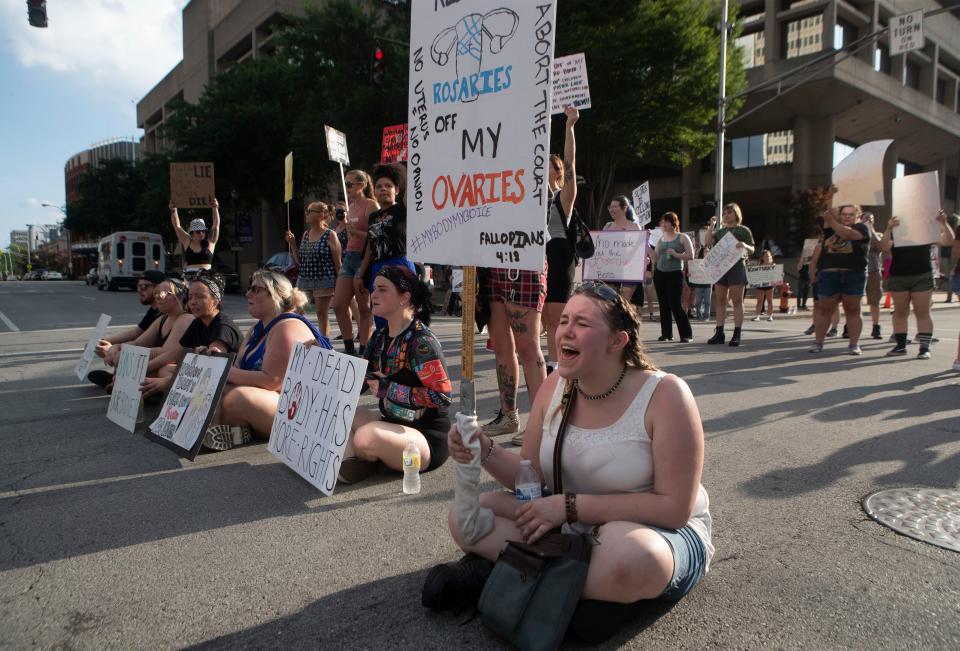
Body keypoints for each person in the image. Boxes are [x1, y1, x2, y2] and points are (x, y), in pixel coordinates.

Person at [422, 281, 712, 643]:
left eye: (583, 324)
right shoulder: (556, 383)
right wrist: (482, 449)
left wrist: (569, 507)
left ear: (617, 341)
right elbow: (531, 478)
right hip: (567, 526)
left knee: (632, 556)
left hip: (651, 531)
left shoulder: (666, 394)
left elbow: (674, 510)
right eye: (564, 321)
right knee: (467, 516)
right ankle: (575, 595)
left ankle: (506, 579)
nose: (565, 331)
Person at [481, 109, 580, 443]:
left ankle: (542, 421)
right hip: (495, 262)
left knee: (528, 347)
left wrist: (569, 127)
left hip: (526, 266)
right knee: (501, 346)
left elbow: (570, 167)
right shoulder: (500, 181)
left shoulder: (552, 196)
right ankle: (509, 415)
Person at [336, 265, 452, 484]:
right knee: (343, 412)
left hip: (425, 437)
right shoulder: (379, 336)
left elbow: (443, 397)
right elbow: (359, 377)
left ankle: (364, 456)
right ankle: (367, 458)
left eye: (382, 289)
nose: (373, 294)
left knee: (364, 437)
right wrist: (320, 353)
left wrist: (389, 389)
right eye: (373, 289)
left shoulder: (421, 342)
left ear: (404, 297)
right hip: (392, 422)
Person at [202, 269, 332, 451]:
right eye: (249, 288)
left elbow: (272, 381)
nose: (248, 293)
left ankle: (219, 428)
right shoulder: (257, 329)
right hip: (270, 402)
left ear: (276, 295)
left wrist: (224, 370)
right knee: (208, 385)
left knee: (237, 398)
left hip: (300, 411)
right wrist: (214, 359)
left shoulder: (287, 326)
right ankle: (229, 430)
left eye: (255, 289)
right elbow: (239, 368)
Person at [141, 272, 243, 398]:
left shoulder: (223, 326)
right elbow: (174, 354)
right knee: (164, 369)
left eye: (199, 297)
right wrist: (141, 370)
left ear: (215, 300)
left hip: (224, 381)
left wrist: (167, 381)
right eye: (190, 297)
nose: (193, 302)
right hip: (203, 373)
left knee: (166, 377)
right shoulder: (197, 323)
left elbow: (212, 367)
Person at [878, 209, 955, 358]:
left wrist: (943, 223)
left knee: (922, 312)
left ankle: (924, 348)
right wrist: (888, 228)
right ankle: (900, 346)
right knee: (900, 312)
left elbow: (948, 241)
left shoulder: (925, 231)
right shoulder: (895, 231)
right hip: (899, 277)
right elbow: (883, 247)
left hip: (922, 275)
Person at [541, 106, 580, 377]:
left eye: (549, 166)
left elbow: (571, 162)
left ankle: (557, 368)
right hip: (533, 256)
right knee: (542, 319)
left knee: (555, 318)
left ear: (557, 172)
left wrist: (570, 126)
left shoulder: (562, 198)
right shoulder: (525, 197)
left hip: (557, 254)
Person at [355, 164, 416, 332]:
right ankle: (385, 352)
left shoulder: (403, 209)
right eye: (379, 186)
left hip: (400, 264)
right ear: (374, 191)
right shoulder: (373, 217)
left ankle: (406, 350)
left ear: (397, 190)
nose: (384, 189)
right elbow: (370, 246)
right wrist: (361, 273)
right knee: (382, 314)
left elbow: (413, 189)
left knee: (404, 312)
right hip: (378, 268)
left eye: (388, 186)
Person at [807, 198, 870, 355]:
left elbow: (849, 235)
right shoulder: (831, 228)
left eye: (851, 214)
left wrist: (833, 222)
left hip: (854, 275)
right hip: (829, 275)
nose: (847, 217)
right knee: (824, 310)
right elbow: (829, 212)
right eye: (844, 214)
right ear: (840, 215)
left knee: (853, 310)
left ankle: (854, 344)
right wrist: (831, 195)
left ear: (857, 215)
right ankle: (818, 342)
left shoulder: (862, 228)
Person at [88, 269, 166, 387]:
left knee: (121, 352)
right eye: (138, 286)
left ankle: (122, 379)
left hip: (160, 357)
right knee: (116, 349)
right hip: (153, 353)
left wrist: (118, 352)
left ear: (159, 289)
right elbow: (136, 333)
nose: (139, 290)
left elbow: (165, 350)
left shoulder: (168, 315)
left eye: (144, 286)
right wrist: (105, 341)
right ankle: (119, 378)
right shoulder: (154, 311)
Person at [102, 278, 195, 377]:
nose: (158, 297)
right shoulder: (163, 319)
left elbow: (167, 353)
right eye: (157, 293)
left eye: (164, 293)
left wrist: (128, 358)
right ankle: (117, 380)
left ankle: (118, 380)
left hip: (178, 368)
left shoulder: (185, 319)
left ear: (179, 297)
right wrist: (116, 347)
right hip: (161, 364)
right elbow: (137, 343)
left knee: (161, 370)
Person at [332, 171, 378, 356]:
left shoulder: (371, 205)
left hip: (363, 258)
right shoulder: (351, 207)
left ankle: (364, 349)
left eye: (349, 184)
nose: (347, 188)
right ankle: (349, 348)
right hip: (349, 257)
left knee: (364, 308)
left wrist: (357, 233)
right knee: (338, 305)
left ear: (362, 184)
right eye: (345, 184)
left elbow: (376, 236)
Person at [286, 202, 340, 337]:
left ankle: (324, 344)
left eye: (310, 211)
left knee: (321, 314)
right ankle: (301, 338)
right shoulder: (305, 234)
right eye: (307, 211)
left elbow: (338, 263)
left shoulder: (330, 235)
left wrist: (339, 285)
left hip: (323, 279)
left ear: (321, 215)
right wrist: (292, 244)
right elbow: (300, 260)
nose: (306, 213)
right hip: (304, 279)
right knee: (296, 310)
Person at [704, 203, 755, 346]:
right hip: (721, 267)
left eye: (730, 212)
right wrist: (711, 226)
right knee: (720, 300)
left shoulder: (743, 230)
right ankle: (719, 332)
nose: (727, 215)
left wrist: (744, 245)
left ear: (736, 214)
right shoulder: (720, 232)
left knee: (737, 301)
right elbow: (707, 242)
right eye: (725, 213)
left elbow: (752, 248)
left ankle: (737, 333)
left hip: (737, 266)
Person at [649, 212, 694, 341]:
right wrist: (646, 246)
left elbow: (691, 255)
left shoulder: (682, 237)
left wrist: (676, 254)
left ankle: (686, 334)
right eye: (662, 222)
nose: (663, 224)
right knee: (663, 304)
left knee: (675, 304)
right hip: (660, 273)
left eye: (666, 221)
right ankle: (666, 333)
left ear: (673, 223)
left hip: (674, 273)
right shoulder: (661, 239)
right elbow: (655, 257)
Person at [602, 196, 642, 303]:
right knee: (610, 302)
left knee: (624, 303)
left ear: (624, 208)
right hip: (610, 270)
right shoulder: (607, 226)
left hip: (630, 270)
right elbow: (601, 249)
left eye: (615, 206)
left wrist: (644, 257)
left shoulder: (634, 226)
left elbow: (640, 248)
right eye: (610, 207)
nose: (611, 209)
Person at [170, 199, 219, 274]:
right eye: (198, 231)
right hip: (190, 278)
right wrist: (174, 210)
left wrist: (215, 208)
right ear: (192, 233)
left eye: (203, 231)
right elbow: (177, 226)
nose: (201, 233)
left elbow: (216, 224)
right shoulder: (187, 241)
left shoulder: (210, 241)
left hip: (206, 277)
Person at [861, 212, 885, 339]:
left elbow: (880, 247)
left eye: (871, 219)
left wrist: (872, 230)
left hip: (873, 271)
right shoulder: (856, 233)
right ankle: (849, 326)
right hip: (859, 270)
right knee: (854, 300)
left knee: (874, 301)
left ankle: (876, 327)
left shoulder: (878, 235)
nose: (868, 220)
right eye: (866, 218)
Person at [751, 250, 776, 322]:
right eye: (766, 256)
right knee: (759, 301)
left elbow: (777, 275)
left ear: (771, 256)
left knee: (770, 301)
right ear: (763, 258)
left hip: (769, 285)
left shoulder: (773, 265)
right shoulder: (759, 266)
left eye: (768, 256)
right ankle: (757, 316)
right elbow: (754, 275)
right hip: (760, 285)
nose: (767, 257)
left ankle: (770, 316)